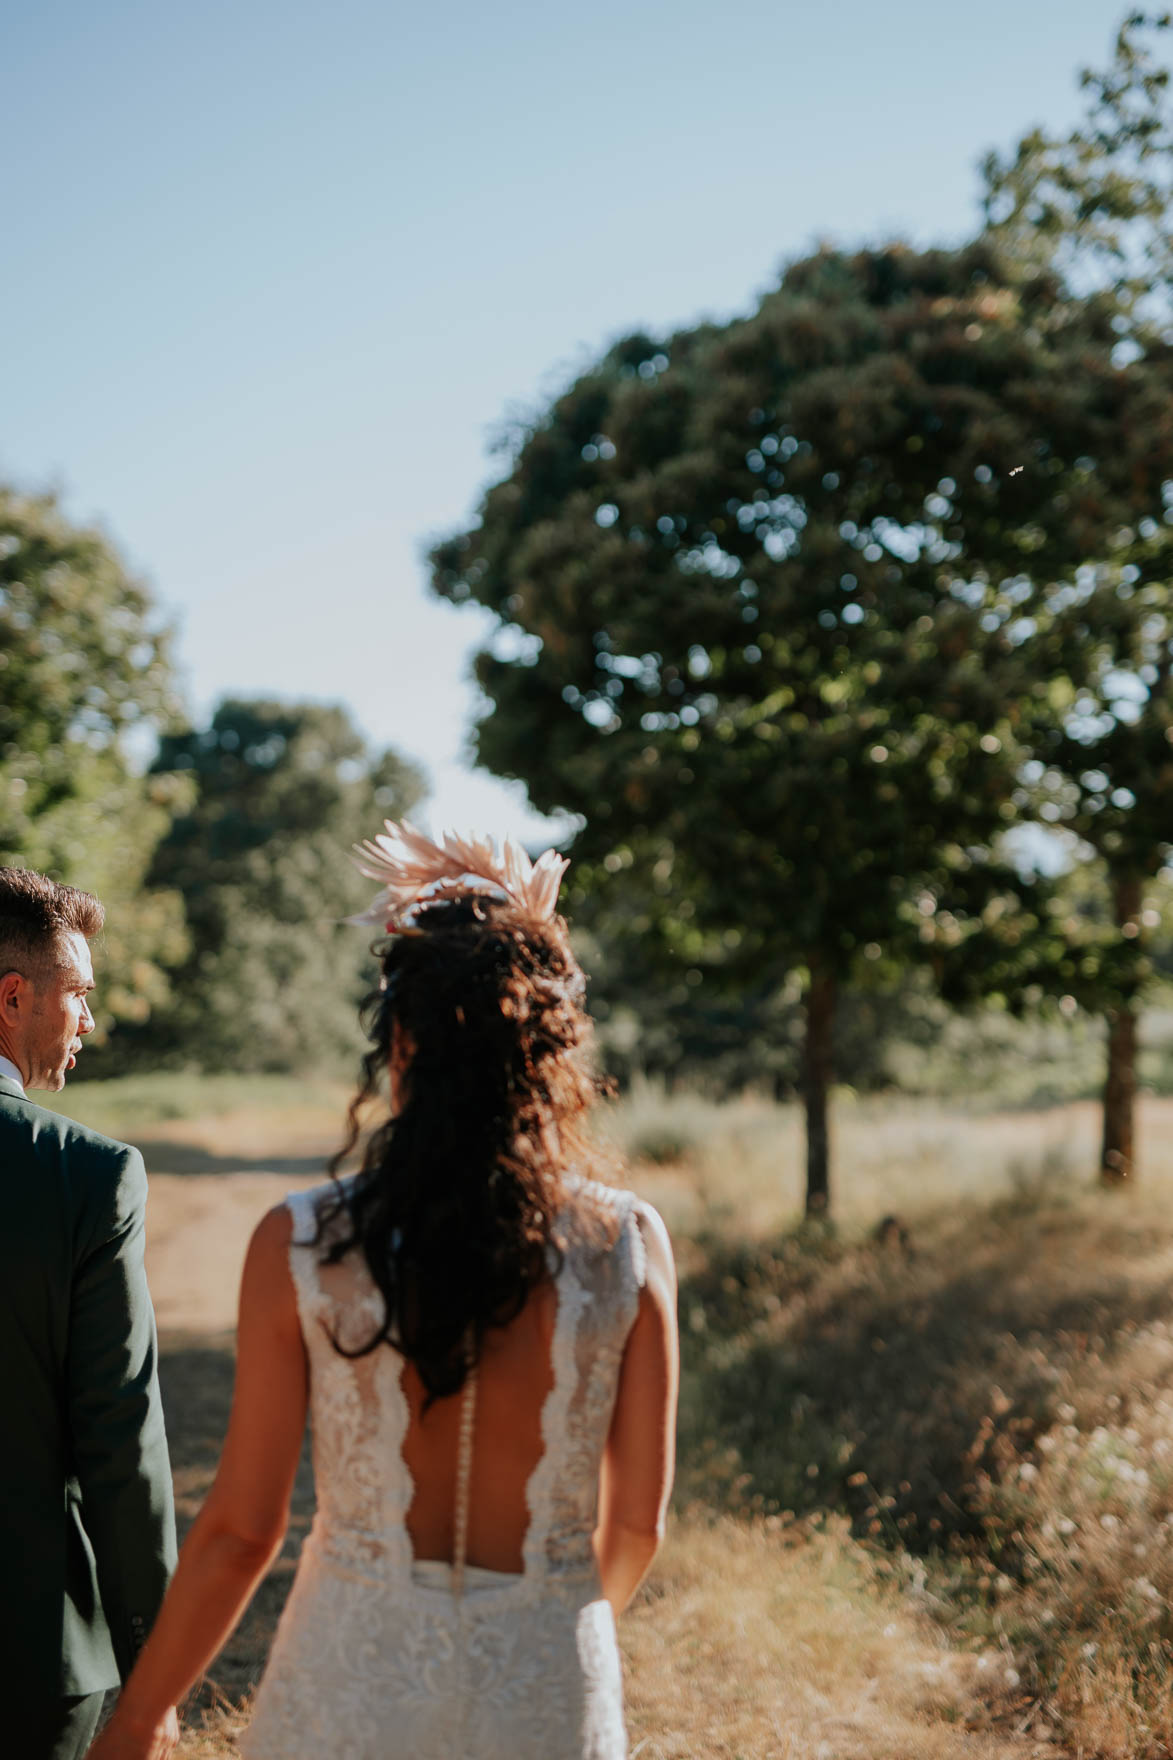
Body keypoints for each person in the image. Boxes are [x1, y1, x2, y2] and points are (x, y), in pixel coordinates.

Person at [91, 823, 679, 1760]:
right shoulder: (627, 1247)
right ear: (551, 1052)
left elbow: (244, 1531)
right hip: (547, 1683)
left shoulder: (302, 1242)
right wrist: (540, 1635)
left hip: (349, 1676)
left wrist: (140, 1716)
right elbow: (637, 1525)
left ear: (398, 1042)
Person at [0, 867, 177, 1759]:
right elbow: (119, 1432)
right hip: (26, 1647)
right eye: (80, 995)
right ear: (13, 996)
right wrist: (159, 1657)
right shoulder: (85, 1176)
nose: (89, 1023)